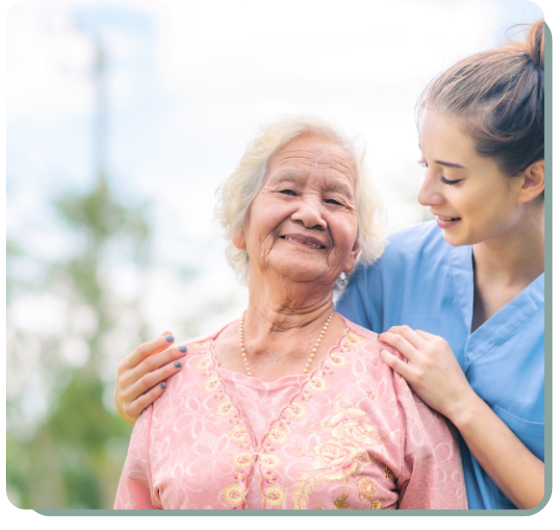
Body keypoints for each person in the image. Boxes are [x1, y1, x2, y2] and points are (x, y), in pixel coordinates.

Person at [113, 116, 467, 510]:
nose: (311, 214)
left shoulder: (402, 386)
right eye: (287, 190)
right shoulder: (168, 381)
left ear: (353, 252)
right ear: (240, 226)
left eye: (334, 200)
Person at [337, 19, 545, 510]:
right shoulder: (386, 270)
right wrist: (164, 393)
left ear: (531, 179)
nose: (426, 195)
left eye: (451, 177)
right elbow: (299, 394)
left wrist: (461, 403)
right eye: (424, 166)